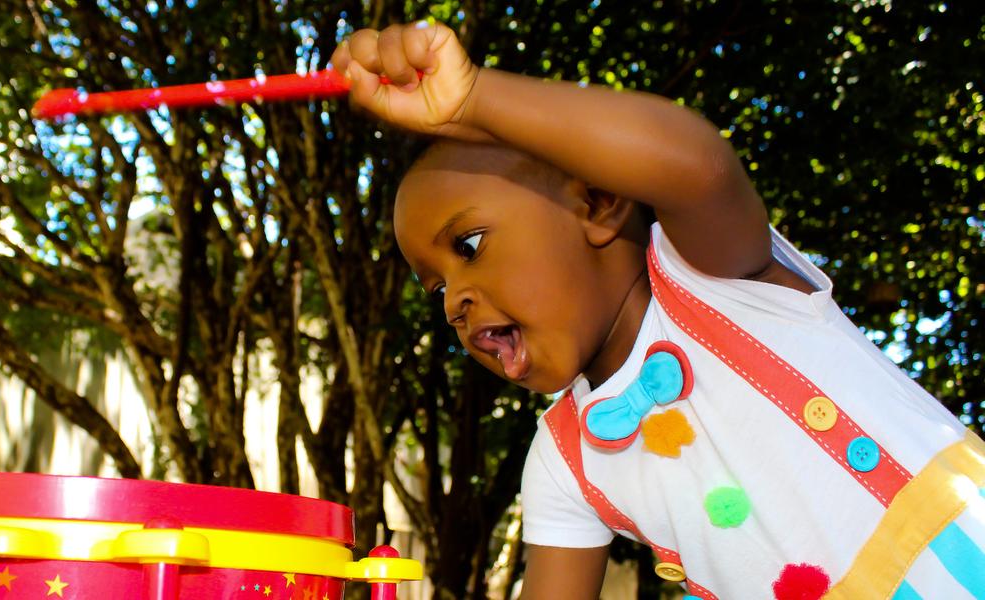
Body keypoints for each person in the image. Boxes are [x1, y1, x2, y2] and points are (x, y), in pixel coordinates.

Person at [332, 20, 985, 600]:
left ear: (597, 204)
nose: (452, 302)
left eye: (468, 246)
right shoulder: (564, 464)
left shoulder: (713, 284)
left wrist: (473, 99)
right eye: (433, 285)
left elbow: (695, 164)